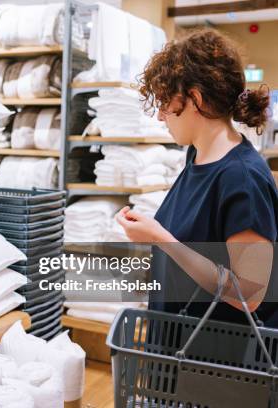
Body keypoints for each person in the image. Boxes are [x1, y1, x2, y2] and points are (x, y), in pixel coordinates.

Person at [116, 28, 278, 327]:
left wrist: (161, 240)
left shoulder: (242, 178)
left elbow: (249, 293)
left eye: (165, 102)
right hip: (177, 348)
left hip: (217, 361)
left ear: (195, 99)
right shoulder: (197, 156)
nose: (160, 116)